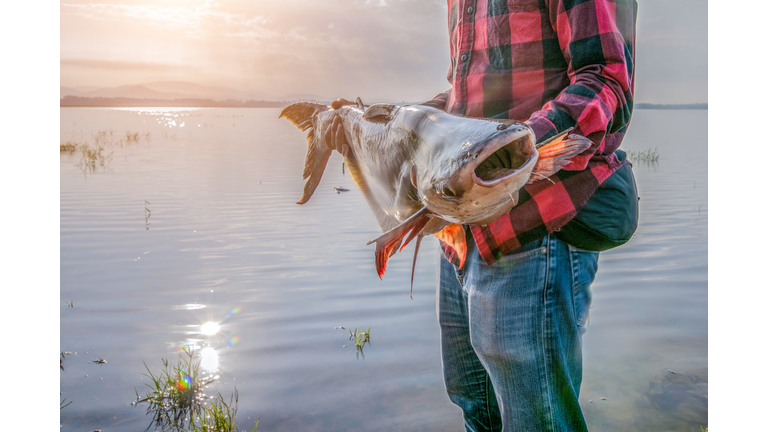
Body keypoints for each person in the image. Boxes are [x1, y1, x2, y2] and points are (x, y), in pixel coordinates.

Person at [326, 0, 638, 430]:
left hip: (533, 231)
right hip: (459, 233)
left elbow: (606, 79)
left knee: (536, 421)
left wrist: (515, 149)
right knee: (476, 409)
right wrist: (396, 127)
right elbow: (465, 98)